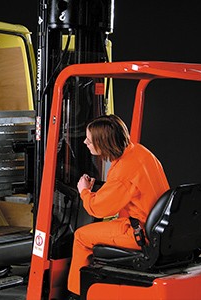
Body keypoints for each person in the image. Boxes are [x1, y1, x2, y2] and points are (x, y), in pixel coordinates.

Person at [67, 114, 170, 296]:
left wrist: (84, 191)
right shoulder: (139, 153)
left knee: (81, 236)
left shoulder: (123, 172)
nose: (84, 142)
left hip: (139, 233)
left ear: (104, 143)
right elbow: (122, 193)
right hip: (156, 226)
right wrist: (96, 192)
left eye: (90, 140)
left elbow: (98, 208)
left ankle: (76, 294)